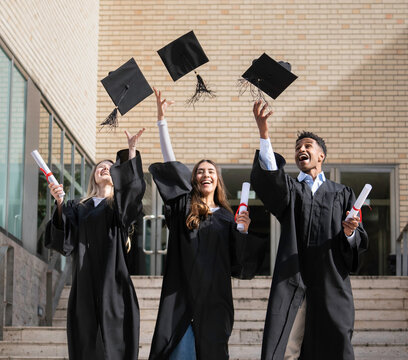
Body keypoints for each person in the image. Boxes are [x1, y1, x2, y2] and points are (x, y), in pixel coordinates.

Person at [148, 88, 264, 360]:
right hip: (181, 294)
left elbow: (239, 262)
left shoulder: (227, 218)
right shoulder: (183, 208)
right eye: (200, 171)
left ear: (217, 180)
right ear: (195, 179)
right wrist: (161, 120)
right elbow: (170, 163)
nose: (205, 174)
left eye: (211, 171)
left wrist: (243, 231)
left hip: (215, 300)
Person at [250, 100, 368, 360]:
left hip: (330, 283)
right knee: (286, 349)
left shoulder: (342, 194)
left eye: (307, 146)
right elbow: (271, 179)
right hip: (293, 279)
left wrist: (349, 233)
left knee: (334, 347)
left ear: (321, 156)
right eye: (297, 148)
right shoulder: (292, 190)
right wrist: (264, 134)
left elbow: (357, 242)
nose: (300, 150)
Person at [45, 129, 146, 360]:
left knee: (114, 343)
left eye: (110, 167)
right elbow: (64, 243)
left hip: (114, 283)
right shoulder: (77, 207)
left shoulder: (118, 205)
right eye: (100, 166)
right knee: (86, 342)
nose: (105, 168)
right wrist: (59, 203)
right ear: (93, 175)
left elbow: (132, 195)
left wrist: (131, 152)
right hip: (85, 283)